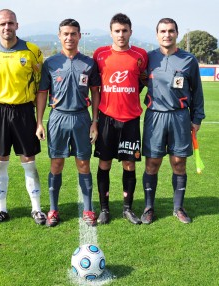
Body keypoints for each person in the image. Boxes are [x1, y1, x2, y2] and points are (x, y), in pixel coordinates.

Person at [0, 9, 46, 226]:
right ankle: (1, 209)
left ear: (17, 25)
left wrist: (36, 117)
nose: (7, 27)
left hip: (24, 111)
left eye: (10, 23)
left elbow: (38, 83)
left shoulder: (32, 51)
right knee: (0, 163)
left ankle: (36, 209)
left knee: (29, 162)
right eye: (2, 24)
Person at [36, 18, 101, 227]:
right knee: (56, 164)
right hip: (57, 118)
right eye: (65, 34)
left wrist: (95, 122)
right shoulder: (51, 63)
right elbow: (42, 93)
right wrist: (39, 122)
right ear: (59, 36)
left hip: (82, 117)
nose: (69, 37)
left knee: (83, 163)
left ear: (79, 36)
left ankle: (89, 209)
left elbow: (95, 93)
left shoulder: (89, 63)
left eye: (73, 34)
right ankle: (53, 209)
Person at [141, 18, 205, 224]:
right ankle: (149, 207)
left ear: (177, 33)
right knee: (152, 163)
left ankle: (178, 208)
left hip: (179, 116)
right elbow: (136, 84)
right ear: (157, 34)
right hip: (154, 116)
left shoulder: (189, 60)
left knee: (178, 163)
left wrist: (197, 118)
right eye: (162, 31)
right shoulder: (148, 59)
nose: (166, 34)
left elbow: (197, 91)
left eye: (170, 31)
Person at [93, 13, 148, 224]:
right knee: (104, 163)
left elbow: (143, 79)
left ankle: (127, 208)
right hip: (107, 118)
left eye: (125, 30)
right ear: (111, 32)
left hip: (131, 120)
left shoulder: (140, 55)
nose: (121, 34)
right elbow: (94, 85)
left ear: (130, 32)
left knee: (129, 165)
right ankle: (105, 209)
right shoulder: (100, 54)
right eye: (117, 31)